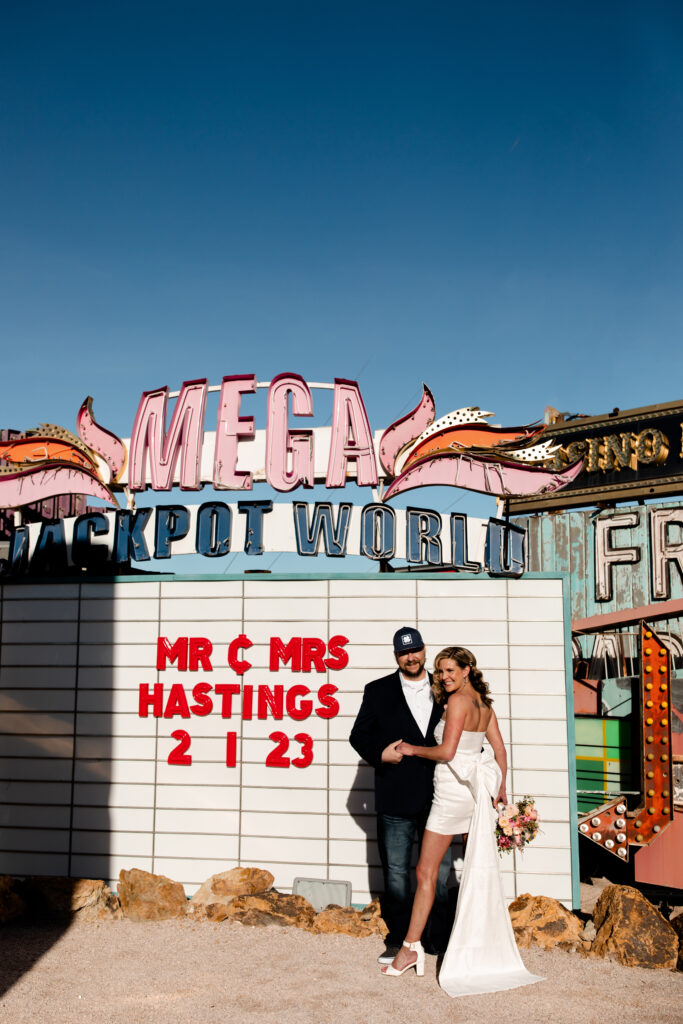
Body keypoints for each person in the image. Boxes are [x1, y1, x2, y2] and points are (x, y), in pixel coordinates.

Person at [381, 646, 543, 997]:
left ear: (468, 669)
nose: (444, 677)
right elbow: (499, 750)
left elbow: (447, 752)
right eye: (440, 671)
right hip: (476, 794)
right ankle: (473, 948)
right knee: (473, 870)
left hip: (452, 794)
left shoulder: (456, 704)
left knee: (425, 873)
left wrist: (410, 749)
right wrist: (501, 788)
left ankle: (410, 948)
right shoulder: (485, 705)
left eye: (451, 670)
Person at [349, 627, 452, 965]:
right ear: (396, 656)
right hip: (395, 798)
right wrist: (381, 755)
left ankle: (437, 940)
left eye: (416, 650)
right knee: (395, 873)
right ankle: (398, 939)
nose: (411, 657)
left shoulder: (446, 686)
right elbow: (358, 735)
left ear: (425, 650)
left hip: (440, 797)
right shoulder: (378, 691)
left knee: (439, 872)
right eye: (404, 653)